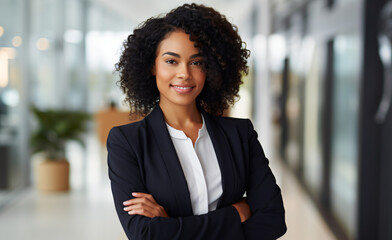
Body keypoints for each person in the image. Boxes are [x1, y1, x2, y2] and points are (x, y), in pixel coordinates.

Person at [107, 3, 286, 240]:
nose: (185, 73)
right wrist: (236, 213)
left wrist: (171, 225)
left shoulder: (240, 134)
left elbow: (273, 221)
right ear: (152, 66)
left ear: (211, 69)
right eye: (171, 61)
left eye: (197, 62)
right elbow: (145, 234)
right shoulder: (127, 142)